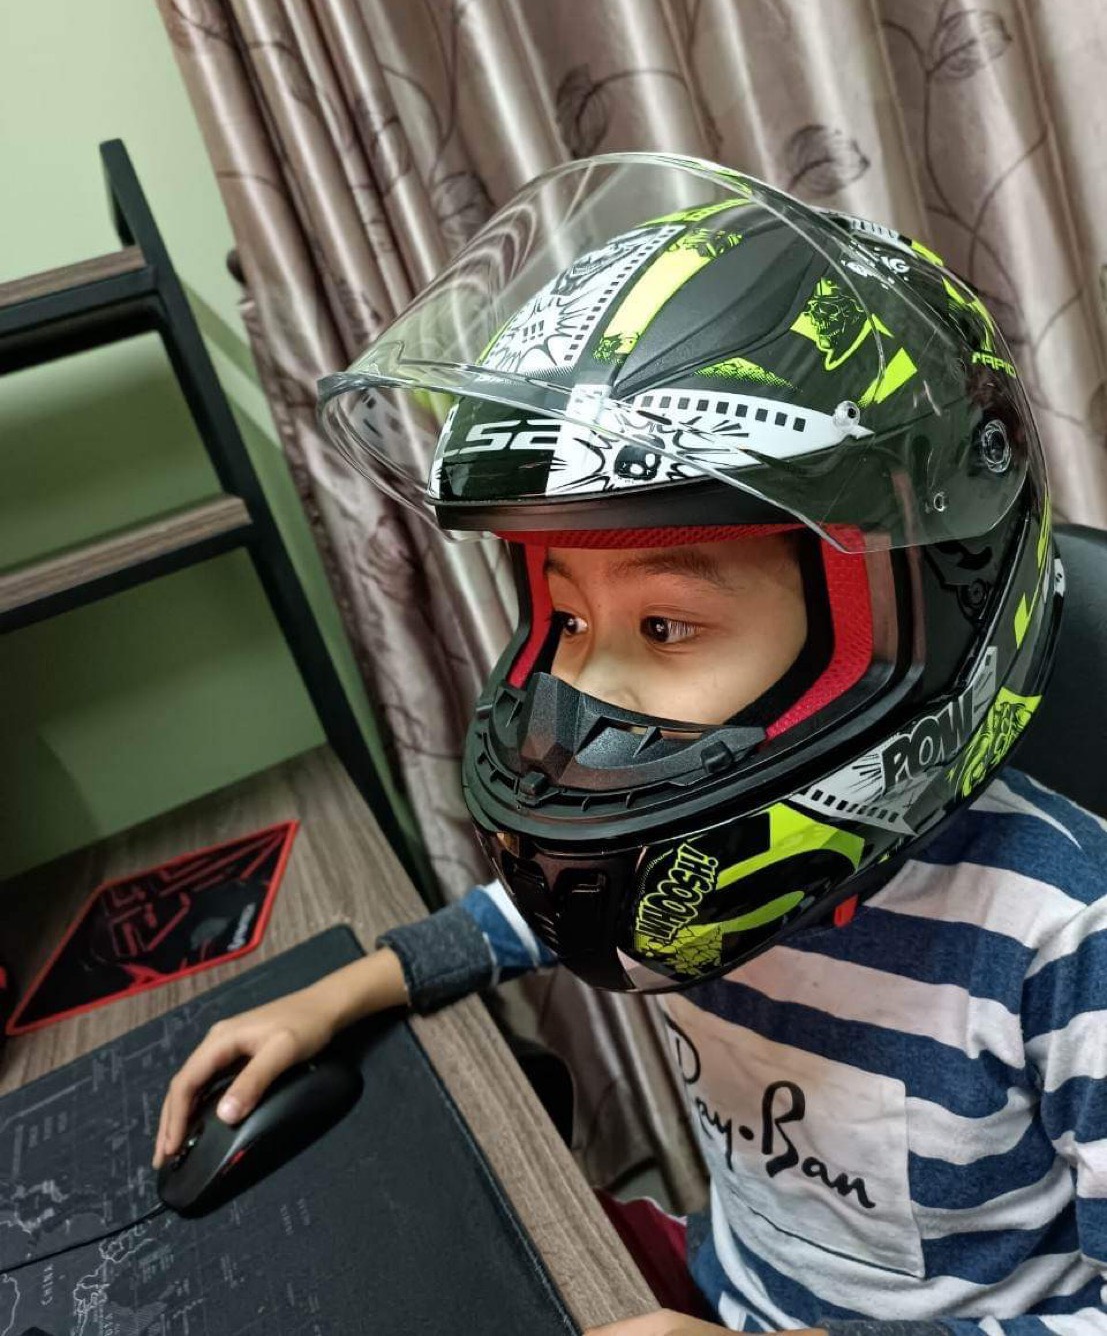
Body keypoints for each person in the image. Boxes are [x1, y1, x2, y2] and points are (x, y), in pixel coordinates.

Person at [154, 156, 1106, 1336]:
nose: (584, 701)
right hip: (723, 1293)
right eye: (565, 620)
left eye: (665, 627)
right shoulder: (686, 874)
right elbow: (526, 914)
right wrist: (340, 995)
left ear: (908, 621)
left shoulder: (1062, 939)